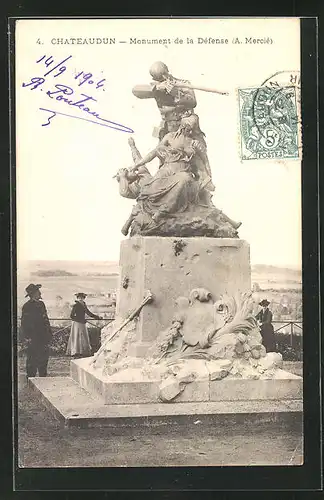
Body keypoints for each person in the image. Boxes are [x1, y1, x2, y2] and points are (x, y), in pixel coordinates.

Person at [132, 61, 199, 140]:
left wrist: (177, 93)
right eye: (158, 78)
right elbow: (135, 90)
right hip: (168, 128)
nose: (164, 79)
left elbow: (193, 102)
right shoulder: (156, 88)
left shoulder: (182, 84)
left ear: (167, 72)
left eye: (164, 75)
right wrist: (156, 88)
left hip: (186, 126)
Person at [21, 283, 52, 378]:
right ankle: (31, 379)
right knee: (32, 359)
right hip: (33, 337)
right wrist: (28, 337)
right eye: (38, 291)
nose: (40, 293)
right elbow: (24, 323)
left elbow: (46, 320)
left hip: (43, 337)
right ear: (33, 294)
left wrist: (49, 333)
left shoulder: (42, 304)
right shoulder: (27, 306)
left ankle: (43, 378)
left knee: (44, 359)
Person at [66, 293, 102, 358]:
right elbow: (71, 316)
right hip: (77, 323)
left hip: (82, 322)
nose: (81, 299)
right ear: (77, 298)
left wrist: (97, 317)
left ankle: (82, 351)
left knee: (83, 336)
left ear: (84, 298)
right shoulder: (76, 305)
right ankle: (76, 352)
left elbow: (88, 313)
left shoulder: (84, 305)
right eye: (79, 297)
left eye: (82, 297)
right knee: (77, 336)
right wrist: (80, 320)